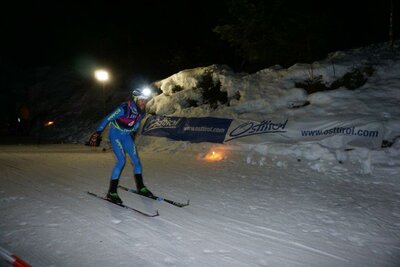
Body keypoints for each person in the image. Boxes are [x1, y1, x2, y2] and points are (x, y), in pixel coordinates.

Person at [87, 88, 153, 204]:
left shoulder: (142, 111)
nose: (144, 102)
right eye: (142, 100)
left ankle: (141, 187)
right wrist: (98, 132)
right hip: (116, 134)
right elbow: (108, 118)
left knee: (136, 161)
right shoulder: (124, 108)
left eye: (145, 100)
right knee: (121, 161)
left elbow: (137, 122)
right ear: (136, 99)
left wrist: (133, 131)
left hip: (126, 136)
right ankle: (112, 192)